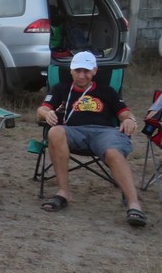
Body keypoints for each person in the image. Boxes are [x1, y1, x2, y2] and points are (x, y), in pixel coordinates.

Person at [37, 51, 145, 227]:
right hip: (73, 131)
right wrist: (46, 113)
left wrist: (130, 120)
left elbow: (125, 113)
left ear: (94, 70)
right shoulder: (61, 89)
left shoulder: (107, 91)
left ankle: (134, 204)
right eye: (78, 70)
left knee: (113, 152)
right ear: (71, 71)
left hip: (104, 132)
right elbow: (42, 109)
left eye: (86, 71)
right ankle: (63, 192)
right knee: (55, 132)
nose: (82, 75)